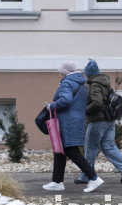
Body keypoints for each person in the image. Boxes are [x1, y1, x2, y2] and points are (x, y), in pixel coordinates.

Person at [42, 62, 103, 193]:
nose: (59, 75)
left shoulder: (67, 83)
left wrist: (51, 106)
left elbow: (65, 100)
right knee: (60, 149)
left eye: (60, 73)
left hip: (67, 122)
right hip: (75, 120)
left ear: (65, 73)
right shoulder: (80, 84)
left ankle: (94, 178)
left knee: (71, 150)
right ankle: (57, 181)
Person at [75, 60, 122, 186]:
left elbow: (97, 103)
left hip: (98, 120)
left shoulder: (94, 85)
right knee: (109, 146)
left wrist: (84, 110)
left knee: (90, 149)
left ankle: (85, 176)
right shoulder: (105, 83)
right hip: (109, 120)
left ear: (89, 74)